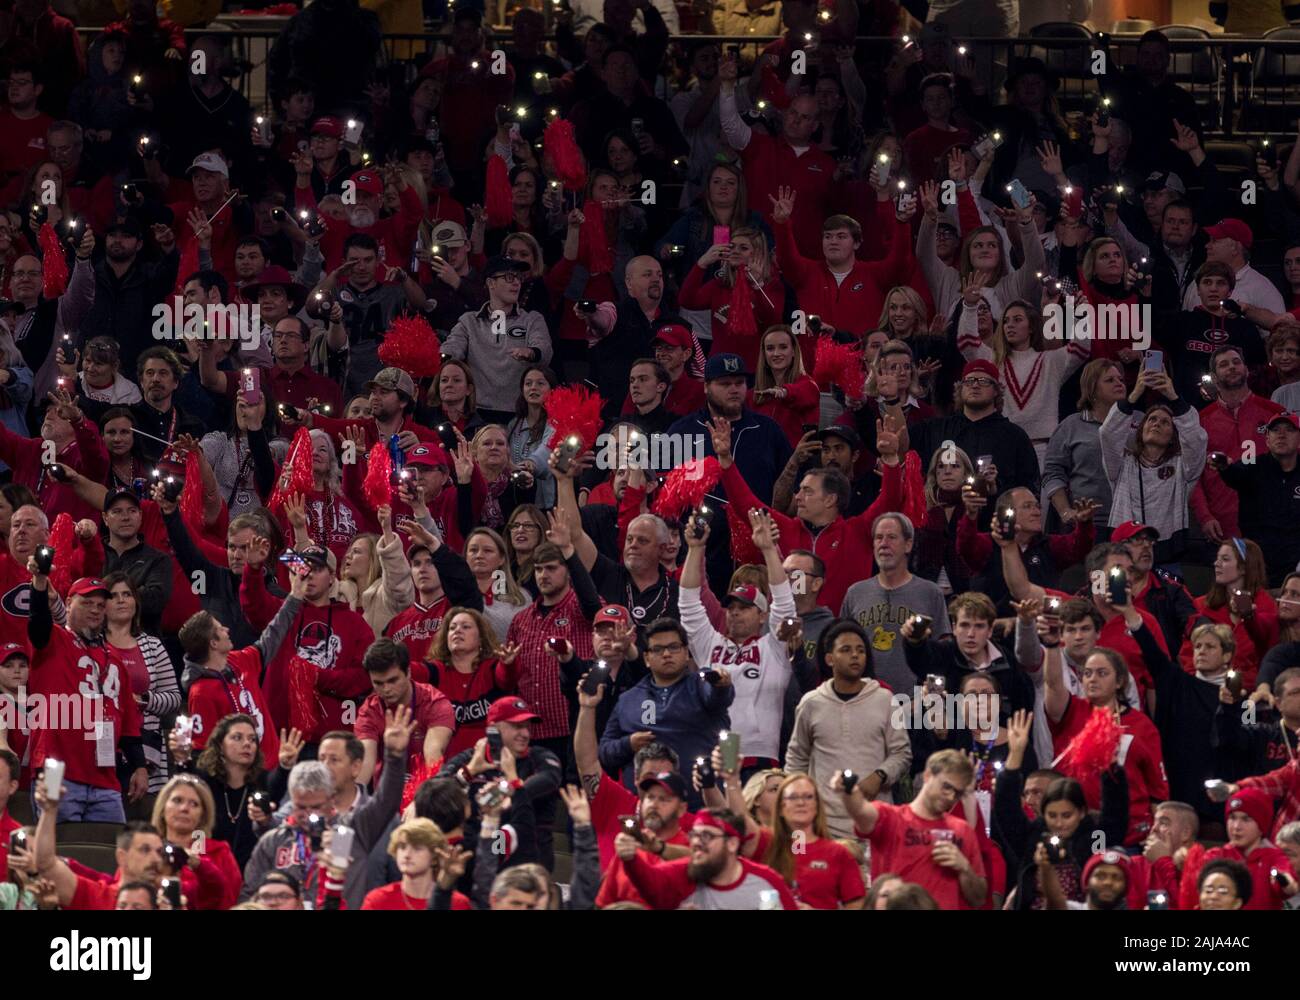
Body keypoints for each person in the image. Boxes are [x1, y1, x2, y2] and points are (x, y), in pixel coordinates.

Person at [240, 706, 413, 909]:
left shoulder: (353, 830)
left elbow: (386, 801)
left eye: (315, 806)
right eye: (300, 807)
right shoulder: (274, 840)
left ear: (331, 800)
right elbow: (248, 896)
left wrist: (394, 756)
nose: (308, 814)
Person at [679, 508, 794, 778]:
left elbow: (785, 606)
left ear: (762, 614)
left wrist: (768, 550)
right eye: (731, 607)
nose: (735, 612)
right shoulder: (710, 644)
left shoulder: (774, 649)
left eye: (745, 607)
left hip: (761, 758)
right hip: (718, 754)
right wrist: (695, 549)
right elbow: (688, 603)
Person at [785, 621, 911, 838]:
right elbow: (797, 759)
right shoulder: (811, 703)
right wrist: (798, 811)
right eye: (846, 649)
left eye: (860, 650)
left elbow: (902, 753)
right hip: (825, 825)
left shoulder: (886, 699)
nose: (855, 655)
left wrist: (880, 776)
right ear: (829, 659)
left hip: (874, 822)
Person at [995, 710, 1128, 909]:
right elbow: (1007, 811)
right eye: (1052, 815)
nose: (1058, 822)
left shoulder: (1096, 837)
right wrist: (1015, 755)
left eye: (1066, 815)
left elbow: (1115, 814)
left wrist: (1110, 765)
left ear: (1081, 812)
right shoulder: (1032, 836)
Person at [597, 616, 731, 806]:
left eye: (674, 647)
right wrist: (628, 744)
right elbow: (604, 752)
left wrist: (721, 685)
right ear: (647, 658)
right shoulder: (628, 699)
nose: (667, 654)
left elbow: (720, 697)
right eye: (658, 649)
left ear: (686, 653)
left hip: (698, 807)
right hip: (645, 809)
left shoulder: (701, 687)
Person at [835, 749, 988, 909]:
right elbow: (860, 810)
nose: (950, 797)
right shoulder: (891, 818)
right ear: (928, 775)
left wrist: (964, 867)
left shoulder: (962, 830)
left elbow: (978, 899)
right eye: (947, 786)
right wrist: (848, 793)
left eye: (957, 793)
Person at [1100, 365, 1208, 567]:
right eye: (1152, 419)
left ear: (1173, 437)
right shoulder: (1122, 464)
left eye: (1165, 422)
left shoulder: (1182, 467)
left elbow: (1196, 439)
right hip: (1124, 550)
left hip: (1169, 551)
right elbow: (1108, 434)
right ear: (1140, 430)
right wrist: (1135, 393)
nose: (1157, 424)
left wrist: (1174, 398)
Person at [614, 806, 797, 910]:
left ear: (732, 844)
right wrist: (631, 859)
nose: (696, 842)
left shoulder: (765, 882)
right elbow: (650, 884)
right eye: (694, 835)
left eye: (707, 836)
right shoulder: (683, 872)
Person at [910, 360, 1042, 496]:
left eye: (983, 381)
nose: (975, 385)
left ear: (996, 390)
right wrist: (906, 396)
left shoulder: (1014, 436)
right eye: (969, 381)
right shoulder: (936, 428)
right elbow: (899, 445)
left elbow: (1030, 488)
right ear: (960, 389)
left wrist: (996, 488)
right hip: (945, 514)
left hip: (996, 513)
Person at [103, 570, 178, 794]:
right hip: (103, 743)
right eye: (113, 595)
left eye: (127, 594)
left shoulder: (153, 646)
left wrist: (143, 700)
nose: (121, 600)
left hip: (146, 745)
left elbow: (174, 698)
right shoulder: (92, 644)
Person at [168, 712, 267, 870]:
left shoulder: (262, 783)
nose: (247, 744)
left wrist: (285, 766)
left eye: (252, 739)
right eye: (237, 737)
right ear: (221, 745)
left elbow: (279, 784)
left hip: (252, 878)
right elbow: (186, 783)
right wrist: (181, 759)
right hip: (207, 872)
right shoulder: (205, 782)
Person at [356, 638, 454, 786]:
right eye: (378, 683)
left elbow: (433, 758)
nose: (386, 689)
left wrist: (421, 801)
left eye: (393, 680)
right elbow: (365, 764)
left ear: (408, 672)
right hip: (386, 797)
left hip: (427, 791)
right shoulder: (369, 710)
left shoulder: (434, 702)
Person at [1216, 412, 1300, 585]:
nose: (1282, 435)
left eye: (1289, 430)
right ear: (1267, 440)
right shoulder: (1253, 465)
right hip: (1259, 566)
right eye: (1276, 430)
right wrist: (1224, 466)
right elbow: (1234, 473)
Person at [150, 774, 242, 909]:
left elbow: (230, 901)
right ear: (163, 808)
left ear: (202, 816)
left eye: (194, 804)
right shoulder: (145, 849)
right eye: (177, 800)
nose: (184, 809)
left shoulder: (219, 852)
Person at [1199, 789, 1299, 910]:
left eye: (1246, 819)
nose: (1236, 827)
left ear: (1262, 825)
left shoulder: (1274, 857)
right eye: (1232, 818)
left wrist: (1284, 881)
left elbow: (1287, 882)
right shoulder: (1214, 856)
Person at [362, 818, 471, 910]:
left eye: (417, 848)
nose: (407, 855)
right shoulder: (377, 901)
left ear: (434, 855)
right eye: (402, 847)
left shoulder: (458, 904)